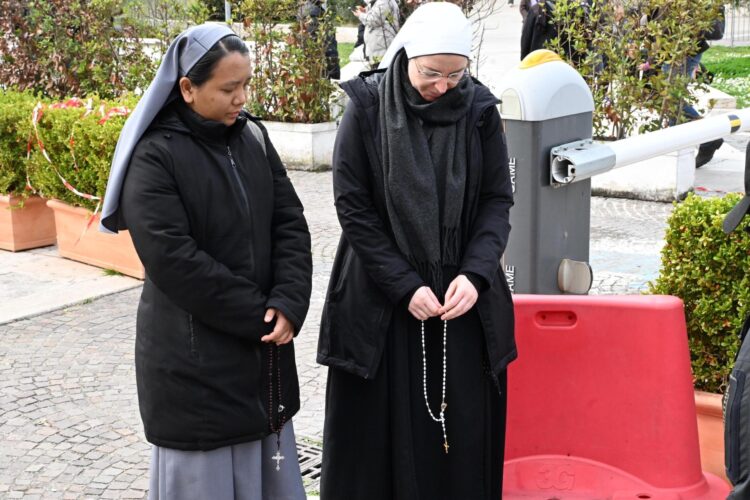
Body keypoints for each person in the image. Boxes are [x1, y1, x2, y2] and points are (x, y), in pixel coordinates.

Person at [99, 24, 313, 500]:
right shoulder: (154, 157)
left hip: (263, 354)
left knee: (269, 476)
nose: (241, 99)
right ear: (188, 89)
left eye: (246, 86)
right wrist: (260, 312)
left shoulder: (253, 137)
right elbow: (174, 261)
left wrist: (290, 300)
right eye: (228, 89)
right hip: (193, 365)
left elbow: (290, 222)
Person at [317, 3, 516, 499]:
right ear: (407, 56)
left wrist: (476, 273)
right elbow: (353, 205)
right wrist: (404, 284)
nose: (444, 86)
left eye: (455, 74)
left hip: (460, 298)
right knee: (380, 442)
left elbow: (497, 200)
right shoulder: (366, 106)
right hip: (384, 295)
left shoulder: (480, 111)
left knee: (461, 437)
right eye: (431, 73)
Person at [298, 0, 341, 79]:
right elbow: (329, 47)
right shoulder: (317, 16)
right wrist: (334, 72)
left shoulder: (303, 11)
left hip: (306, 66)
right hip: (319, 68)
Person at [352, 0, 400, 67]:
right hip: (380, 49)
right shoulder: (380, 2)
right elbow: (378, 15)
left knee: (380, 74)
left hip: (382, 50)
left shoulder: (383, 1)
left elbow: (375, 21)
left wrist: (360, 15)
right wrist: (365, 11)